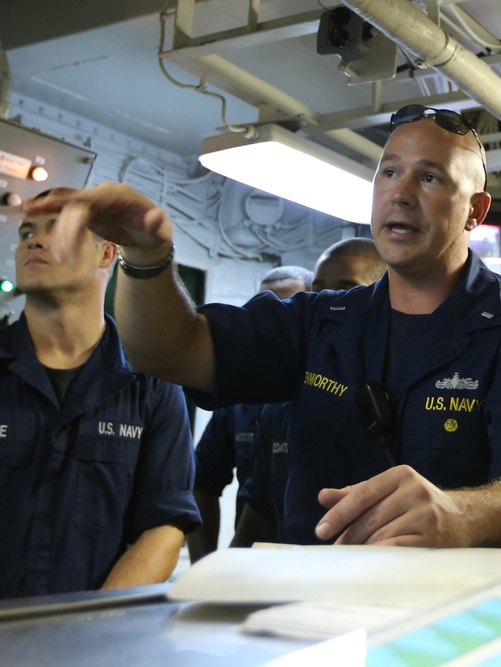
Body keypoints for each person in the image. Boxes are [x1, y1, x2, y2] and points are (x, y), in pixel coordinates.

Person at [28, 104, 501, 549]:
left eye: (430, 178)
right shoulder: (319, 321)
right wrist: (146, 256)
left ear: (475, 211)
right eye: (390, 172)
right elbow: (168, 352)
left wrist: (461, 514)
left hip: (456, 617)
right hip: (316, 614)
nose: (399, 191)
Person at [0, 188, 199, 598]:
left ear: (107, 254)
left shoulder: (152, 383)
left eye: (57, 230)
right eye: (26, 232)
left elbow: (164, 526)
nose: (33, 241)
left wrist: (87, 627)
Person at [231, 238, 387, 547]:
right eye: (319, 291)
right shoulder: (281, 404)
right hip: (299, 581)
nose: (329, 303)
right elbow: (260, 514)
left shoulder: (394, 389)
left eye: (347, 288)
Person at [186, 265, 314, 563]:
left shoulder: (333, 395)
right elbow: (202, 482)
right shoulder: (237, 403)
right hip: (255, 564)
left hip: (325, 567)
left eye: (286, 309)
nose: (272, 322)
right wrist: (204, 567)